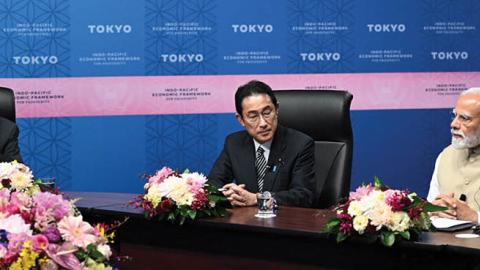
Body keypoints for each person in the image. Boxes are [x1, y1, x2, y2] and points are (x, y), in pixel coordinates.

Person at [208, 80, 315, 208]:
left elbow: (304, 195)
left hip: (283, 221)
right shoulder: (234, 143)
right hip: (246, 222)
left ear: (277, 109)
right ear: (241, 119)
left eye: (267, 112)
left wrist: (258, 198)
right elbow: (213, 184)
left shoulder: (300, 144)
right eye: (253, 116)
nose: (263, 123)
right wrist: (227, 194)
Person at [427, 87, 480, 223]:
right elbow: (431, 207)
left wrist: (475, 217)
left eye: (464, 118)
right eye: (455, 115)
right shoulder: (445, 156)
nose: (453, 124)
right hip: (446, 242)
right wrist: (434, 210)